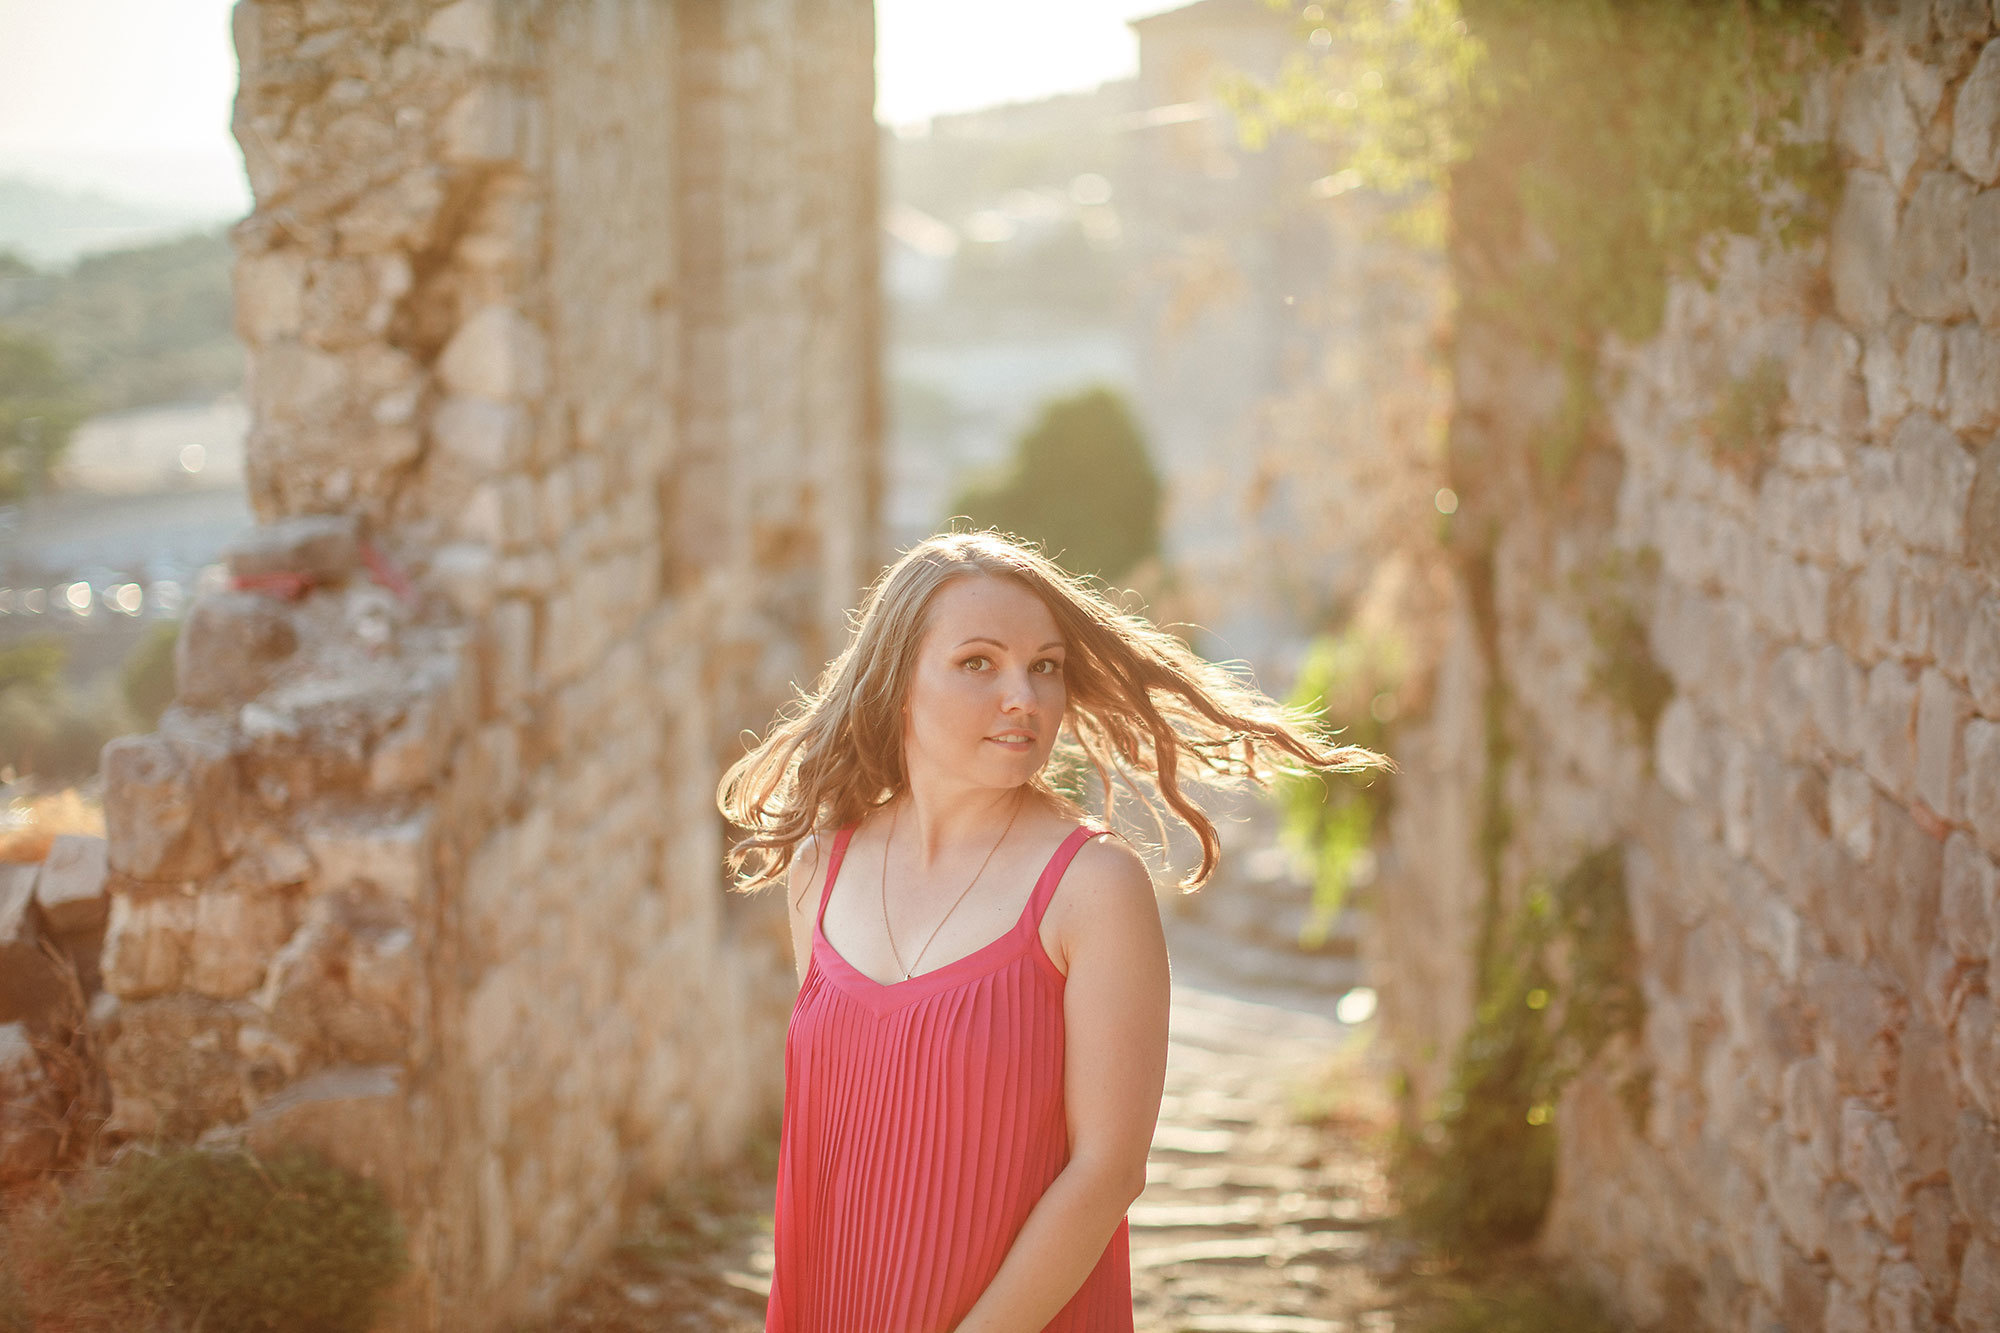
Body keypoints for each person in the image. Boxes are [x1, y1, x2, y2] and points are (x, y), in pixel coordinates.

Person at [718, 530, 1389, 1333]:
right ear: (897, 683)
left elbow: (1108, 1169)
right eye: (979, 662)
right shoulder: (819, 871)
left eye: (1045, 666)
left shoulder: (1094, 887)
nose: (1024, 697)